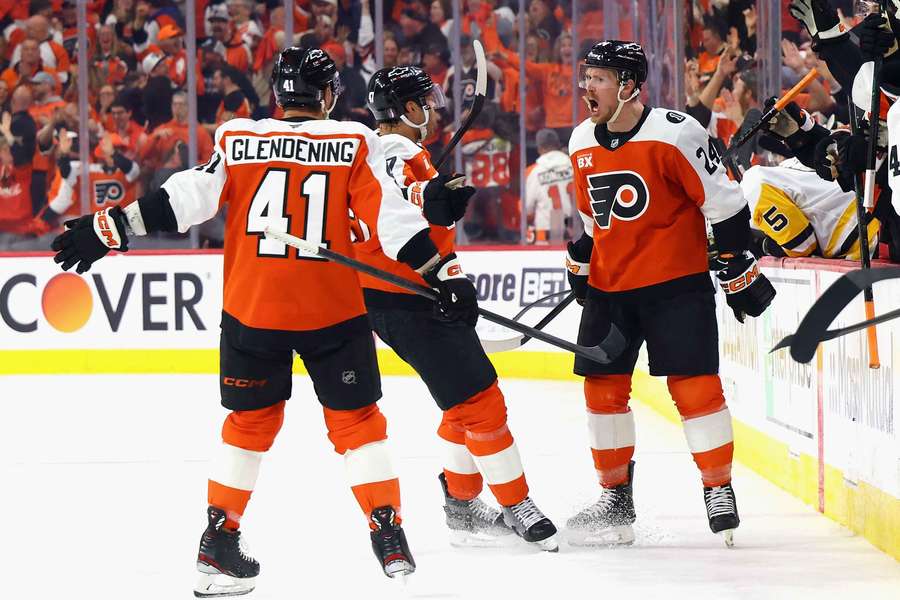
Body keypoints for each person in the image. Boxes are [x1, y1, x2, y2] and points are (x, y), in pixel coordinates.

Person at [49, 47, 479, 596]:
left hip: (254, 309)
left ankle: (218, 542)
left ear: (277, 94)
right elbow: (391, 224)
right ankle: (387, 529)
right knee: (356, 423)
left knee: (249, 426)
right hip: (332, 310)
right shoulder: (353, 140)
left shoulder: (238, 137)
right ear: (326, 96)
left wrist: (110, 227)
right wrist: (443, 273)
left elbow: (183, 201)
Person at [564, 41, 775, 547]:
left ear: (629, 86)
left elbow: (724, 204)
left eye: (600, 78)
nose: (587, 86)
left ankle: (717, 486)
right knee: (601, 392)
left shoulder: (676, 132)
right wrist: (582, 255)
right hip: (611, 289)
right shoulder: (579, 142)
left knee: (695, 388)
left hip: (675, 286)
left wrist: (732, 260)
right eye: (586, 76)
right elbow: (596, 219)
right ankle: (615, 498)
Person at [358, 65, 559, 550]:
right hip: (408, 296)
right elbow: (397, 209)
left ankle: (463, 506)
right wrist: (431, 207)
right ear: (409, 108)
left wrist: (432, 203)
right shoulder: (396, 150)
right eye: (425, 99)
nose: (434, 106)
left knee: (461, 399)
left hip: (412, 292)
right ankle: (516, 503)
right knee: (481, 401)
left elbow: (407, 202)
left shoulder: (392, 152)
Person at [525, 128, 575, 244]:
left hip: (546, 235)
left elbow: (527, 208)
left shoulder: (533, 171)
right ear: (558, 145)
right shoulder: (574, 164)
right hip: (574, 233)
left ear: (539, 148)